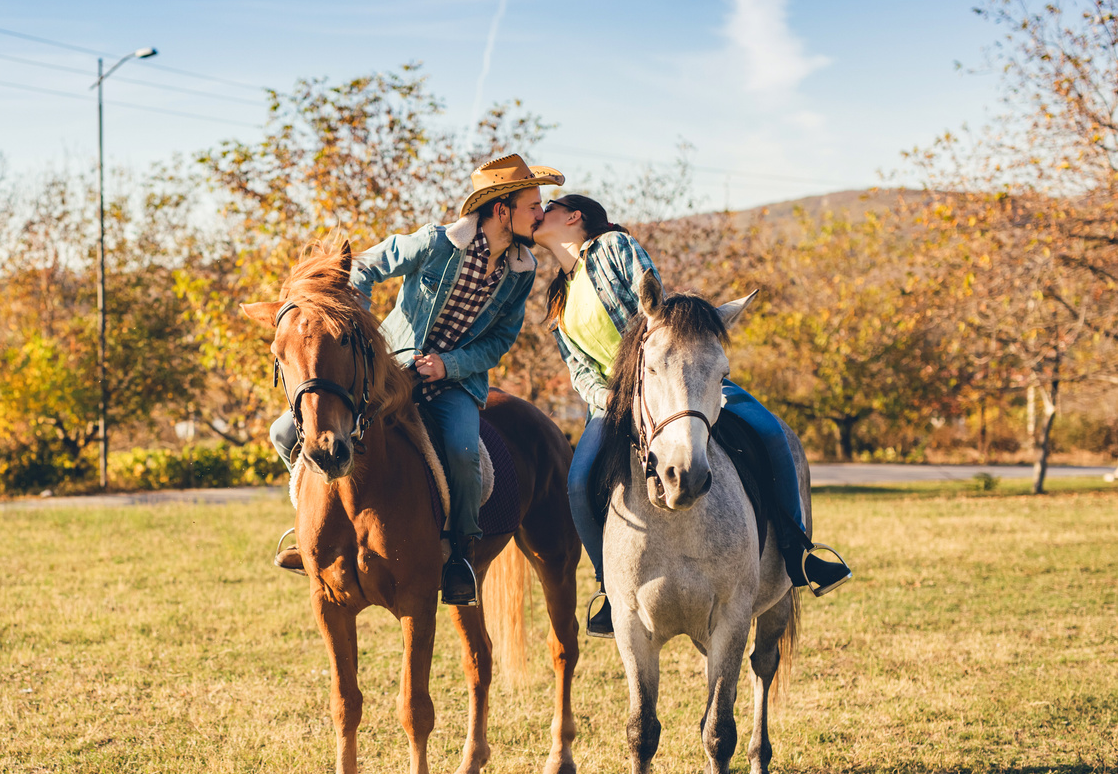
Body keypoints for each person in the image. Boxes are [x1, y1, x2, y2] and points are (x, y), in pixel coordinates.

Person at [535, 193, 852, 639]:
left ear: (573, 217)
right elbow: (577, 366)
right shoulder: (558, 297)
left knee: (771, 433)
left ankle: (800, 552)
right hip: (613, 403)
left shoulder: (614, 248)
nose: (537, 213)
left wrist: (662, 365)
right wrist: (605, 396)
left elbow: (660, 309)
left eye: (546, 207)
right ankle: (609, 588)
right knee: (578, 481)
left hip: (675, 379)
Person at [270, 154, 564, 606]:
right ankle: (309, 534)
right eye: (532, 205)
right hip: (390, 371)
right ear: (502, 209)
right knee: (284, 430)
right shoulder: (436, 244)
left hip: (454, 383)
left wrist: (451, 365)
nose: (540, 214)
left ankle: (461, 555)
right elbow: (367, 266)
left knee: (465, 454)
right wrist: (354, 321)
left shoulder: (521, 273)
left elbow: (502, 338)